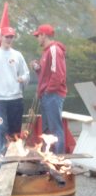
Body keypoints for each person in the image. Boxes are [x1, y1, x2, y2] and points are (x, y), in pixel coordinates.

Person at [0, 27, 30, 155]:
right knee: (0, 128)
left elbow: (26, 74)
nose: (9, 39)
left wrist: (22, 78)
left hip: (15, 98)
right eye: (7, 36)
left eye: (11, 37)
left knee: (15, 130)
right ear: (1, 37)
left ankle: (13, 154)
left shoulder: (17, 55)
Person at [31, 24, 67, 154]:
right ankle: (48, 157)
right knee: (47, 129)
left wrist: (48, 90)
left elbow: (58, 74)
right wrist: (37, 68)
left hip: (52, 95)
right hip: (47, 95)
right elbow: (46, 74)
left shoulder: (54, 50)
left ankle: (59, 159)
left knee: (55, 128)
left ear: (44, 35)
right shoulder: (46, 51)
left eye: (38, 36)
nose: (37, 39)